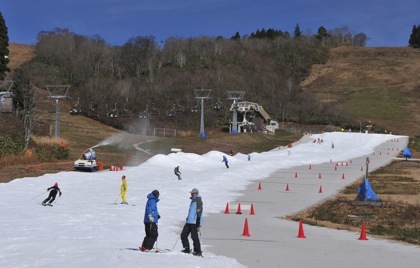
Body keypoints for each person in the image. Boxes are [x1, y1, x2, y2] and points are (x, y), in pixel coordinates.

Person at [181, 188, 203, 256]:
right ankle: (186, 249)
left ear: (195, 194)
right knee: (183, 235)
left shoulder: (198, 200)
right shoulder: (193, 200)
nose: (191, 194)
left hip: (194, 222)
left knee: (194, 237)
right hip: (189, 221)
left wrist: (198, 221)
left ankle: (197, 251)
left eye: (192, 193)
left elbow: (199, 211)